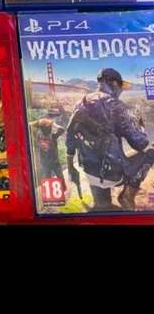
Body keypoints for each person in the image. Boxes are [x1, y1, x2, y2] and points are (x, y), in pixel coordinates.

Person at [66, 67, 154, 211]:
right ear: (113, 83)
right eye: (120, 86)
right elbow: (140, 143)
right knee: (151, 153)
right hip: (113, 174)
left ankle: (102, 202)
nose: (121, 91)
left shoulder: (80, 103)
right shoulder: (116, 105)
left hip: (88, 170)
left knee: (103, 205)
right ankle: (127, 196)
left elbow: (70, 136)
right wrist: (140, 125)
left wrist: (70, 167)